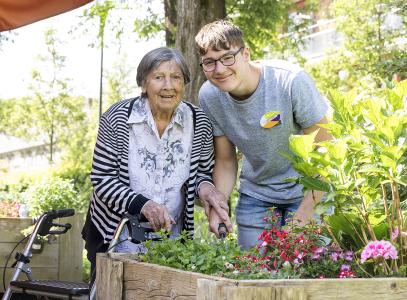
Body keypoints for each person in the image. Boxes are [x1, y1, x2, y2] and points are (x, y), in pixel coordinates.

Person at [81, 47, 231, 282]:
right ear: (143, 83)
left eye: (176, 77)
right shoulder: (118, 118)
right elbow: (102, 178)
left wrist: (208, 190)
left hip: (172, 238)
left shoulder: (199, 122)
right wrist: (144, 205)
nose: (168, 86)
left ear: (185, 83)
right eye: (159, 77)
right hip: (116, 235)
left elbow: (201, 173)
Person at [195, 20, 332, 250]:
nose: (219, 69)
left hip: (307, 191)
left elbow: (327, 153)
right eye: (209, 62)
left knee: (310, 271)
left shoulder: (289, 81)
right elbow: (226, 160)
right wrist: (219, 204)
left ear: (246, 53)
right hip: (256, 196)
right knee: (254, 272)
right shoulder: (210, 96)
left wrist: (306, 212)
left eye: (228, 57)